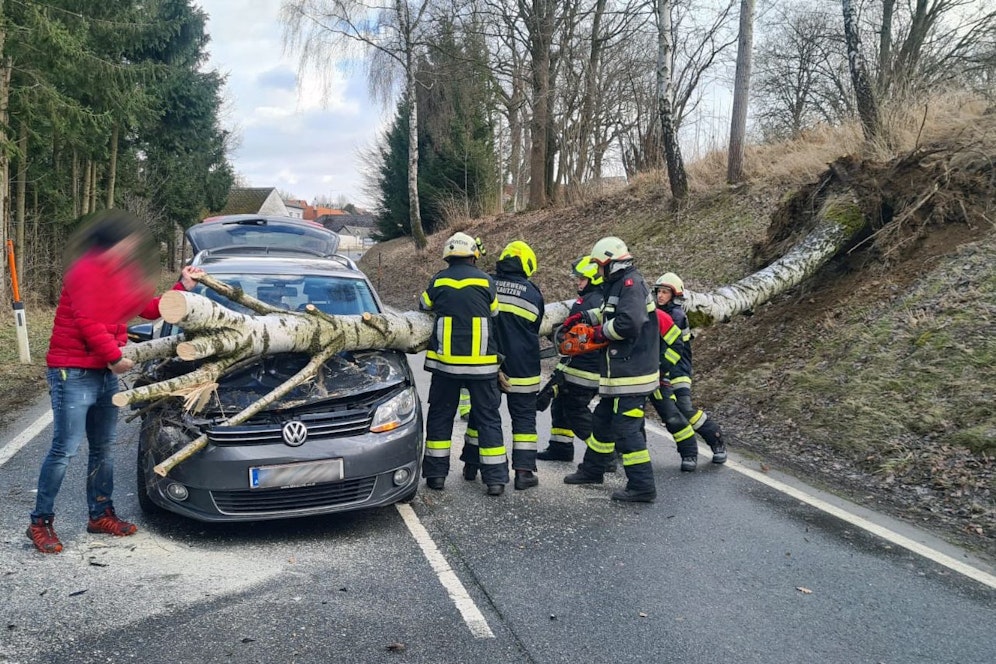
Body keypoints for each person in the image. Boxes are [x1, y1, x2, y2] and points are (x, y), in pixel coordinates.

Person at [27, 210, 206, 554]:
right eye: (128, 244)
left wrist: (183, 287)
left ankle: (100, 514)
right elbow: (88, 321)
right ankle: (40, 522)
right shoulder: (85, 272)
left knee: (103, 448)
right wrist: (114, 356)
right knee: (65, 449)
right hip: (72, 371)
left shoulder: (121, 275)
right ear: (110, 245)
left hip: (103, 373)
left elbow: (148, 309)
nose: (131, 251)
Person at [562, 237, 661, 502]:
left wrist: (596, 333)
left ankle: (642, 486)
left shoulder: (631, 284)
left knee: (626, 429)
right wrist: (584, 317)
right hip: (620, 372)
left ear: (611, 263)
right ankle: (593, 469)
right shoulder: (617, 285)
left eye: (598, 265)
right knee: (602, 420)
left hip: (633, 373)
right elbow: (610, 313)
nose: (597, 270)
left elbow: (628, 322)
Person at [419, 232, 508, 496]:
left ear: (448, 255)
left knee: (440, 417)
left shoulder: (439, 279)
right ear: (473, 256)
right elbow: (494, 312)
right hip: (482, 367)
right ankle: (496, 480)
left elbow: (424, 305)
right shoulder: (486, 280)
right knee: (489, 419)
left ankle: (436, 476)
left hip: (446, 367)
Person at [464, 241, 544, 491]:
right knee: (524, 421)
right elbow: (536, 325)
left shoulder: (488, 284)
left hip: (490, 364)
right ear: (528, 265)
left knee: (482, 415)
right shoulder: (532, 293)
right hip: (524, 367)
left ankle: (471, 465)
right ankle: (523, 473)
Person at [652, 272, 727, 469]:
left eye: (665, 292)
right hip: (660, 368)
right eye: (659, 291)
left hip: (677, 369)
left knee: (684, 408)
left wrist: (662, 370)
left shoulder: (676, 316)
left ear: (674, 295)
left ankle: (716, 440)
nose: (660, 296)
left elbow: (672, 348)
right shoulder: (654, 312)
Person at [537, 256, 603, 463]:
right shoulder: (602, 300)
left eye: (582, 279)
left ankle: (602, 454)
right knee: (560, 404)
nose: (578, 283)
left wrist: (558, 336)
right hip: (584, 365)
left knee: (575, 409)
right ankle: (560, 447)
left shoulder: (587, 303)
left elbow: (574, 338)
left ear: (593, 279)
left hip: (584, 368)